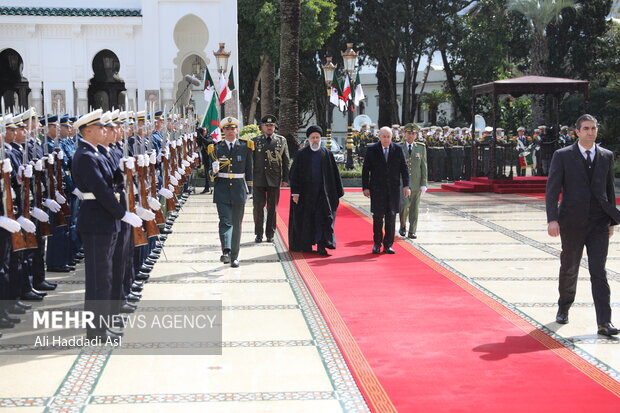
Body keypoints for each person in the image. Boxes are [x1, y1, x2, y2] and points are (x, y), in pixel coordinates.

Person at [72, 108, 143, 340]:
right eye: (101, 128)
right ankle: (96, 331)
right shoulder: (84, 156)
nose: (105, 131)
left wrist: (124, 171)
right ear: (88, 131)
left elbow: (113, 181)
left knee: (106, 276)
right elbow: (101, 191)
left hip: (105, 221)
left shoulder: (97, 154)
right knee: (98, 280)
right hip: (96, 222)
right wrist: (123, 214)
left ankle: (102, 325)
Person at [546, 114, 618, 337]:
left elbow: (609, 191)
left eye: (593, 128)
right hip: (571, 222)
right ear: (577, 132)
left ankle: (604, 322)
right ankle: (564, 307)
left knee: (599, 271)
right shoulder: (563, 156)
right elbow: (552, 189)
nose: (590, 132)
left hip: (598, 224)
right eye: (586, 128)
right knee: (569, 268)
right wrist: (552, 218)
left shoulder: (606, 156)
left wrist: (611, 221)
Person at [288, 125, 344, 255]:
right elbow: (294, 175)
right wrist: (295, 192)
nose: (315, 140)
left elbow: (334, 175)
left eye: (317, 137)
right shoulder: (302, 154)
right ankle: (306, 245)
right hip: (306, 196)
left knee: (323, 219)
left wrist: (336, 193)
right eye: (312, 137)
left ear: (320, 138)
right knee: (307, 220)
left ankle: (322, 246)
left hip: (323, 195)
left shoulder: (327, 154)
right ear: (308, 139)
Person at [209, 117, 253, 268]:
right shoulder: (215, 148)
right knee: (225, 221)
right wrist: (213, 170)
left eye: (232, 129)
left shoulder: (246, 146)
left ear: (236, 130)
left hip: (239, 189)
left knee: (236, 224)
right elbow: (211, 174)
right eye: (227, 129)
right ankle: (226, 251)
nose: (230, 132)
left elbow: (249, 170)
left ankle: (234, 256)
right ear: (223, 131)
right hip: (222, 189)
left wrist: (250, 190)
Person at [362, 126, 410, 254]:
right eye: (383, 136)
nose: (386, 139)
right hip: (377, 190)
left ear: (391, 137)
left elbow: (404, 169)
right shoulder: (372, 149)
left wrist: (406, 186)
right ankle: (377, 244)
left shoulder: (398, 149)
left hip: (393, 190)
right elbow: (366, 170)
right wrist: (365, 187)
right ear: (379, 137)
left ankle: (388, 244)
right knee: (378, 218)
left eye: (388, 136)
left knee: (391, 217)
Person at [252, 115, 290, 243]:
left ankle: (270, 233)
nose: (269, 128)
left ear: (274, 127)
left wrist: (286, 178)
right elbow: (251, 161)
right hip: (258, 178)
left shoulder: (281, 140)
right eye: (267, 126)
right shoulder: (255, 141)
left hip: (274, 178)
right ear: (262, 127)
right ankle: (258, 233)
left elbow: (286, 161)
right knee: (258, 207)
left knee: (272, 208)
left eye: (271, 126)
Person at [399, 123, 427, 239]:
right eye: (408, 133)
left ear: (416, 135)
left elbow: (424, 166)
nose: (410, 136)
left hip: (416, 182)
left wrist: (424, 183)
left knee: (415, 208)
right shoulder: (399, 147)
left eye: (413, 134)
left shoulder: (421, 147)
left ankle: (412, 230)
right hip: (403, 183)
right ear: (404, 134)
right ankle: (403, 225)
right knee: (404, 205)